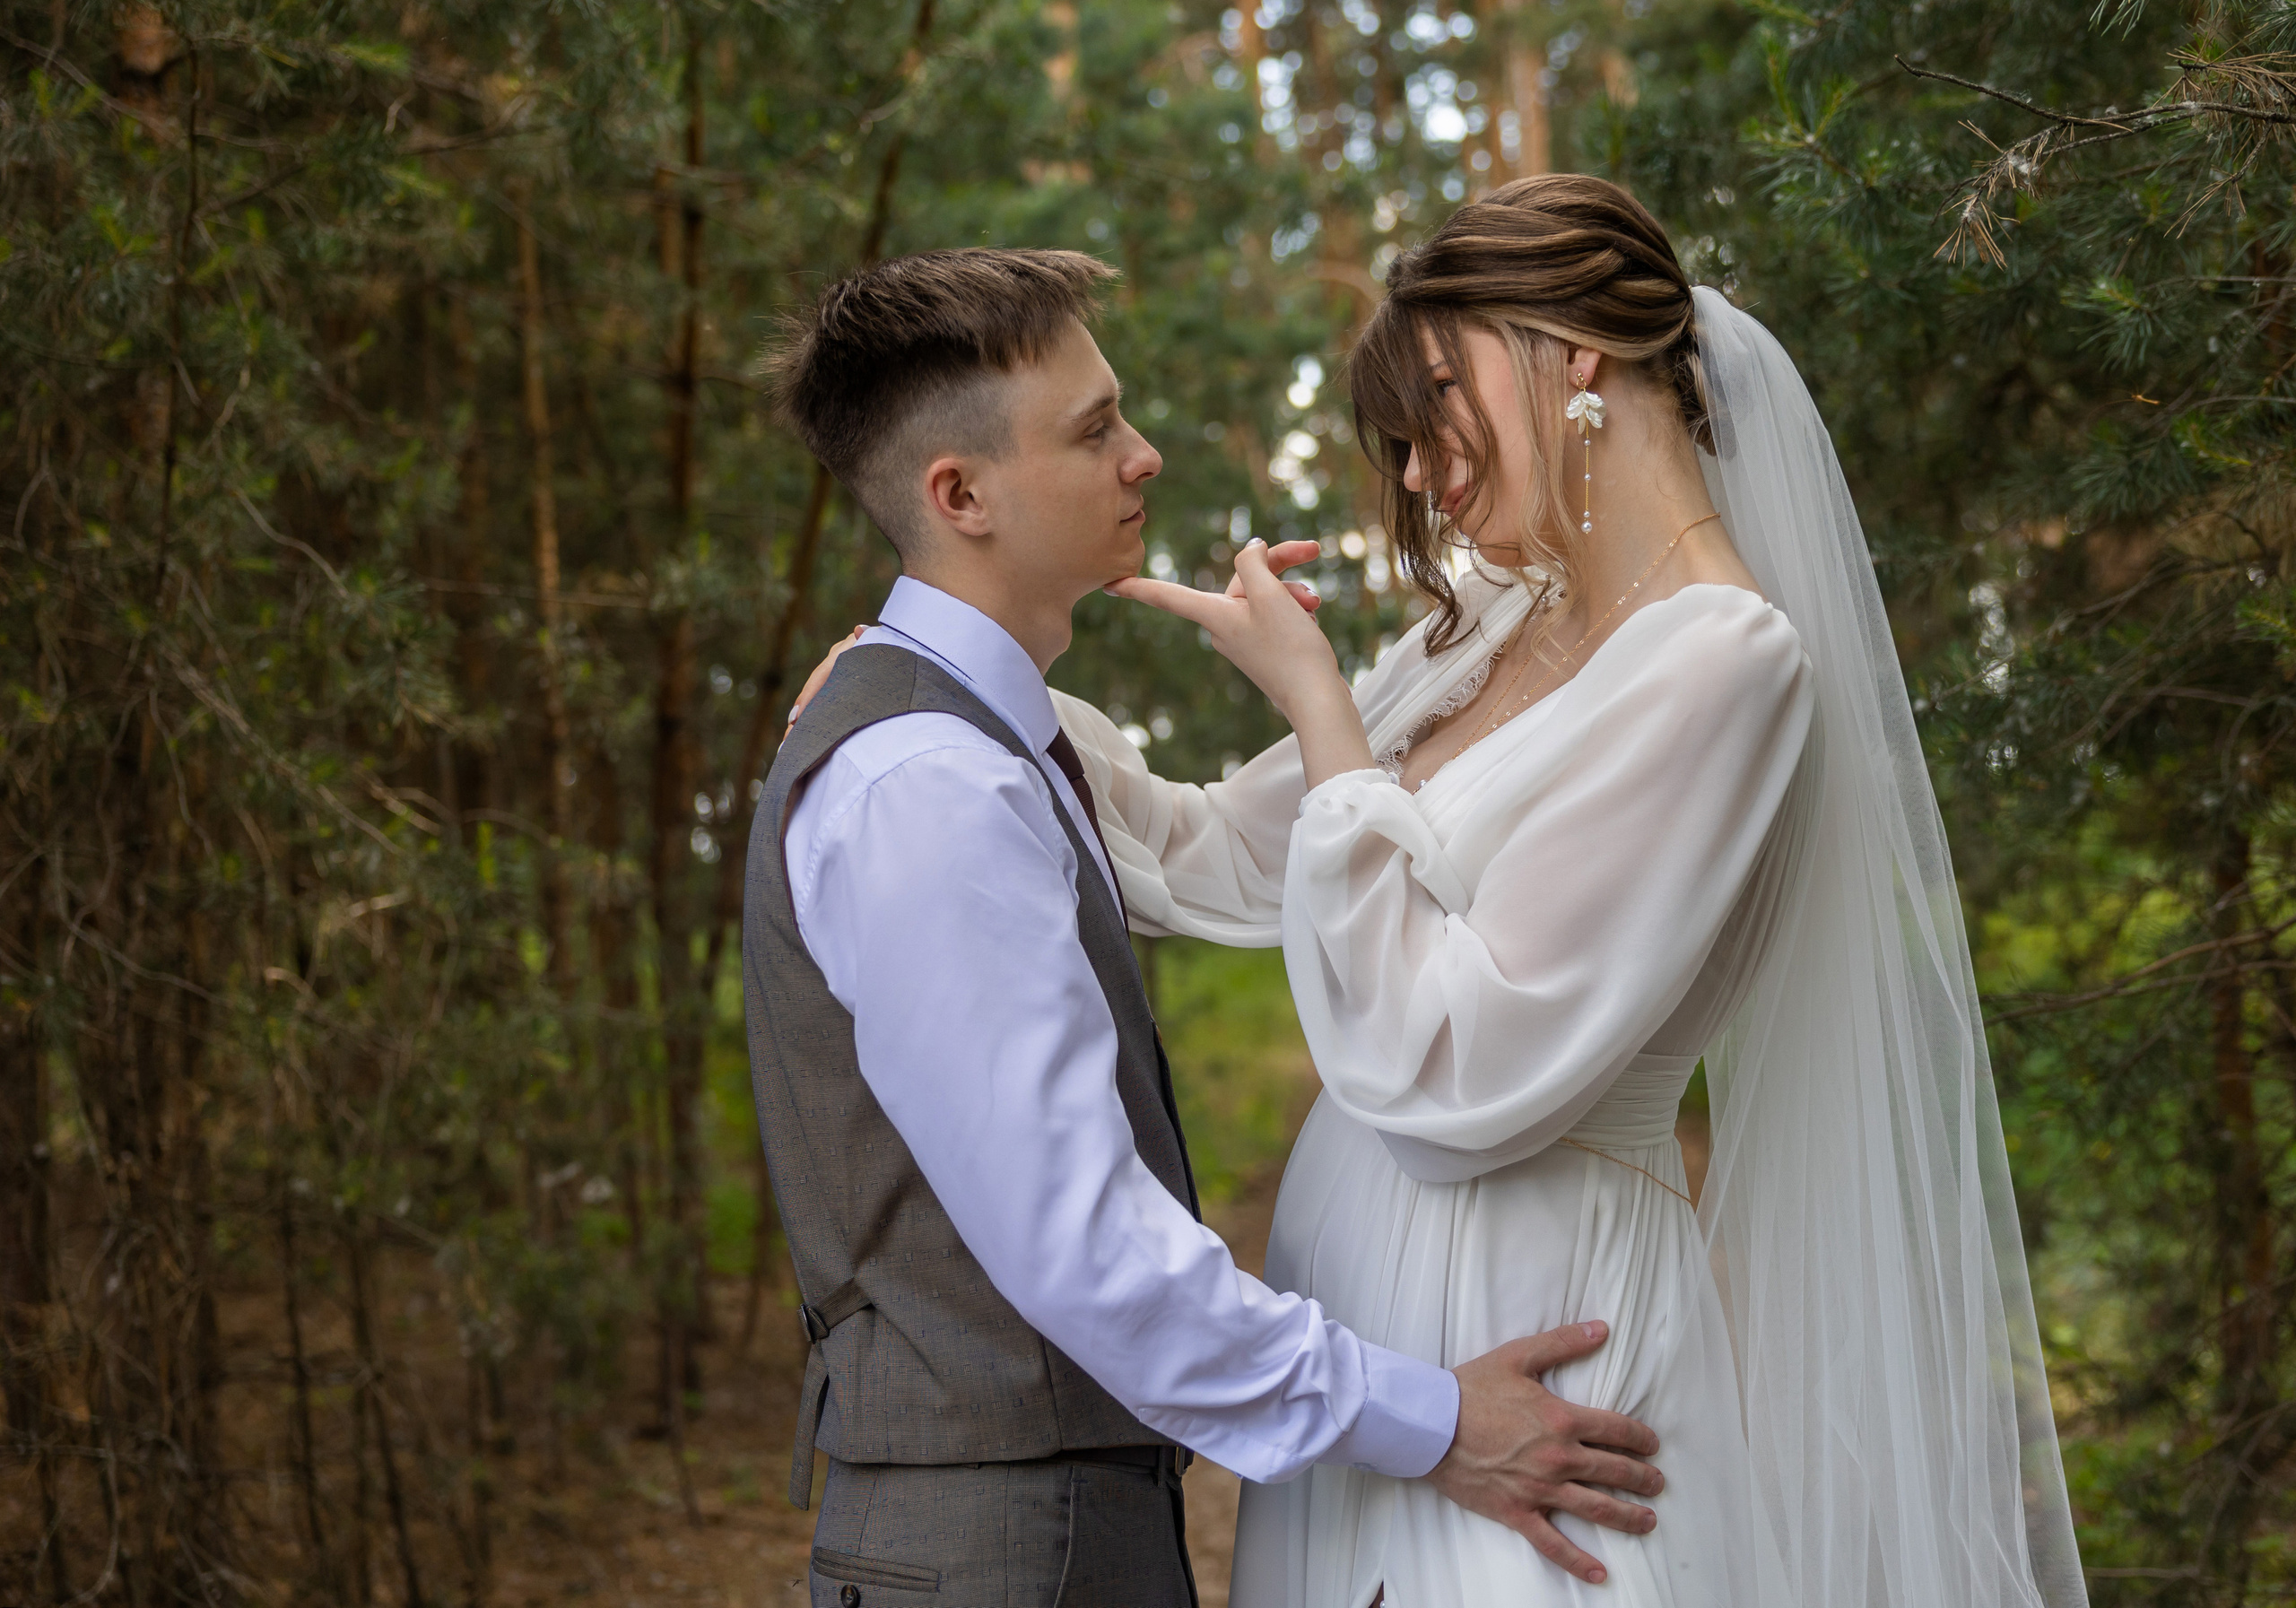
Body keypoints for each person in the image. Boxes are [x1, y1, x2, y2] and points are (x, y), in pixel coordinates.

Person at [1050, 177, 2091, 1606]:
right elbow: (1206, 852)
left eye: (1434, 406)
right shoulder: (1484, 626)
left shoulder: (1724, 664)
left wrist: (1319, 707)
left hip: (1539, 1332)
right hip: (1373, 1360)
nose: (1421, 477)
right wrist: (971, 689)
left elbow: (1454, 1061)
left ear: (1572, 347)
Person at [744, 246, 1671, 1608]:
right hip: (1001, 1549)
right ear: (961, 496)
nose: (1145, 454)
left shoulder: (966, 747)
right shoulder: (929, 784)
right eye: (1094, 430)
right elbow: (1085, 1243)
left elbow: (1220, 849)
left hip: (1043, 1518)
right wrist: (1433, 1420)